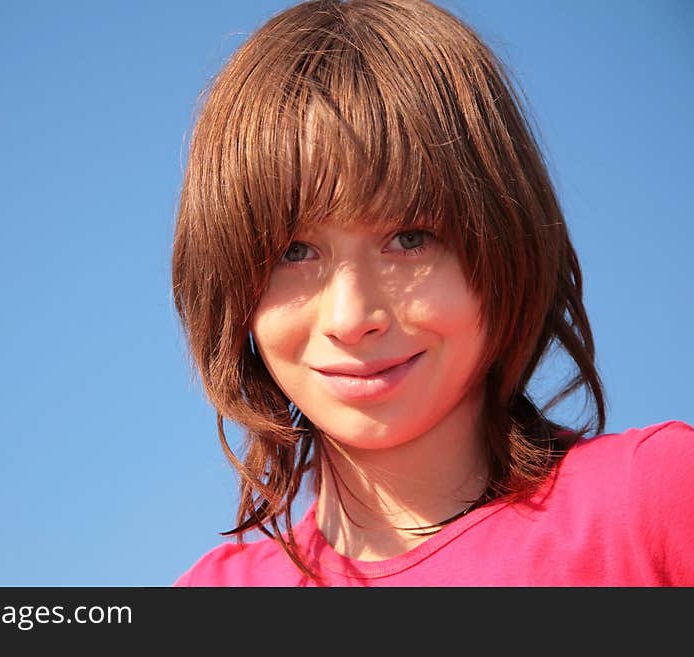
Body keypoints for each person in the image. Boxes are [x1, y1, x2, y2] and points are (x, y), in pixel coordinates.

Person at [170, 0, 693, 586]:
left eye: (409, 239)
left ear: (506, 237)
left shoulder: (654, 509)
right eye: (295, 252)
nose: (351, 317)